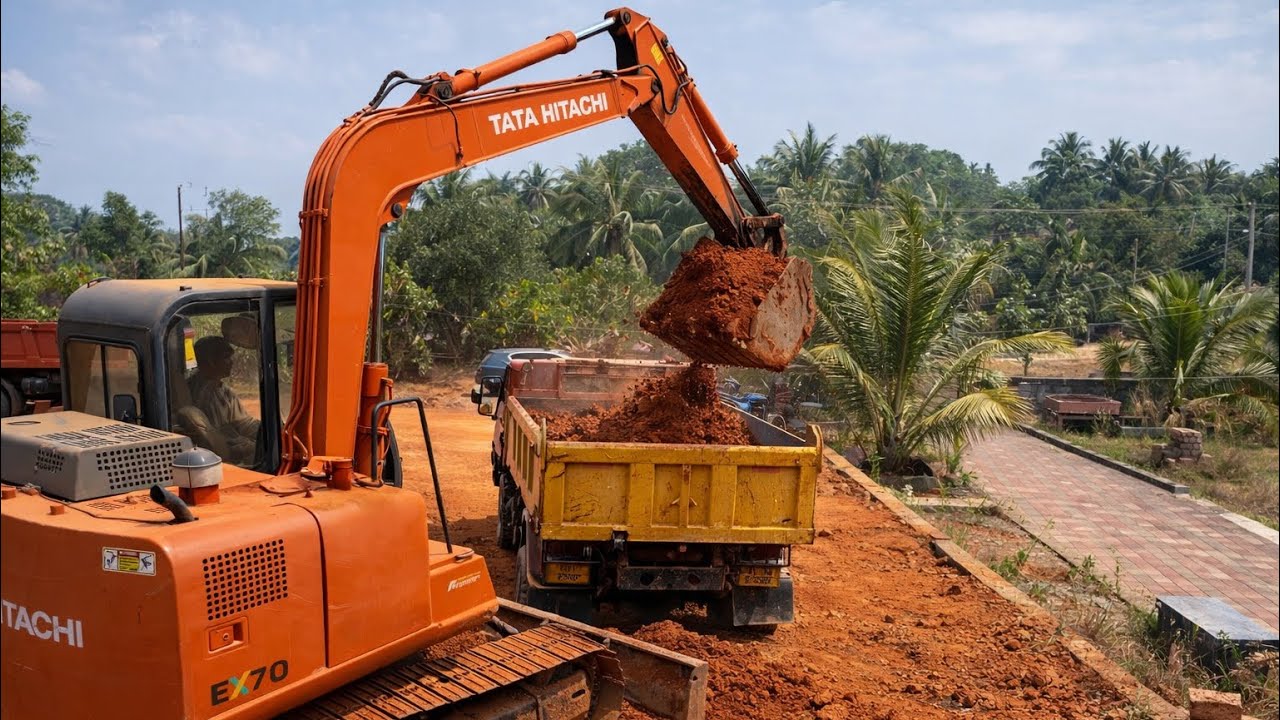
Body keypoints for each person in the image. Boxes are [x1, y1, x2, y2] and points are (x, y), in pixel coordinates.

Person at [189, 336, 260, 465]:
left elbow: (242, 422)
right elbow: (216, 440)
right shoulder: (201, 395)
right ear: (211, 361)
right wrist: (249, 446)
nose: (231, 362)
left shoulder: (223, 390)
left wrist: (264, 430)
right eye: (226, 357)